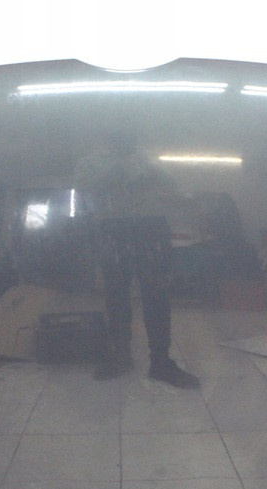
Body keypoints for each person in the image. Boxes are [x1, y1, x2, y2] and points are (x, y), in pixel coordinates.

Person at [75, 130, 200, 389]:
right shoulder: (90, 161)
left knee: (157, 295)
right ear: (108, 138)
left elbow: (172, 185)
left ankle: (161, 361)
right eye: (119, 134)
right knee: (116, 295)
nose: (125, 140)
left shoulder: (148, 159)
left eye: (129, 134)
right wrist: (119, 166)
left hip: (150, 226)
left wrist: (149, 166)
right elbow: (86, 189)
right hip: (113, 227)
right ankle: (121, 356)